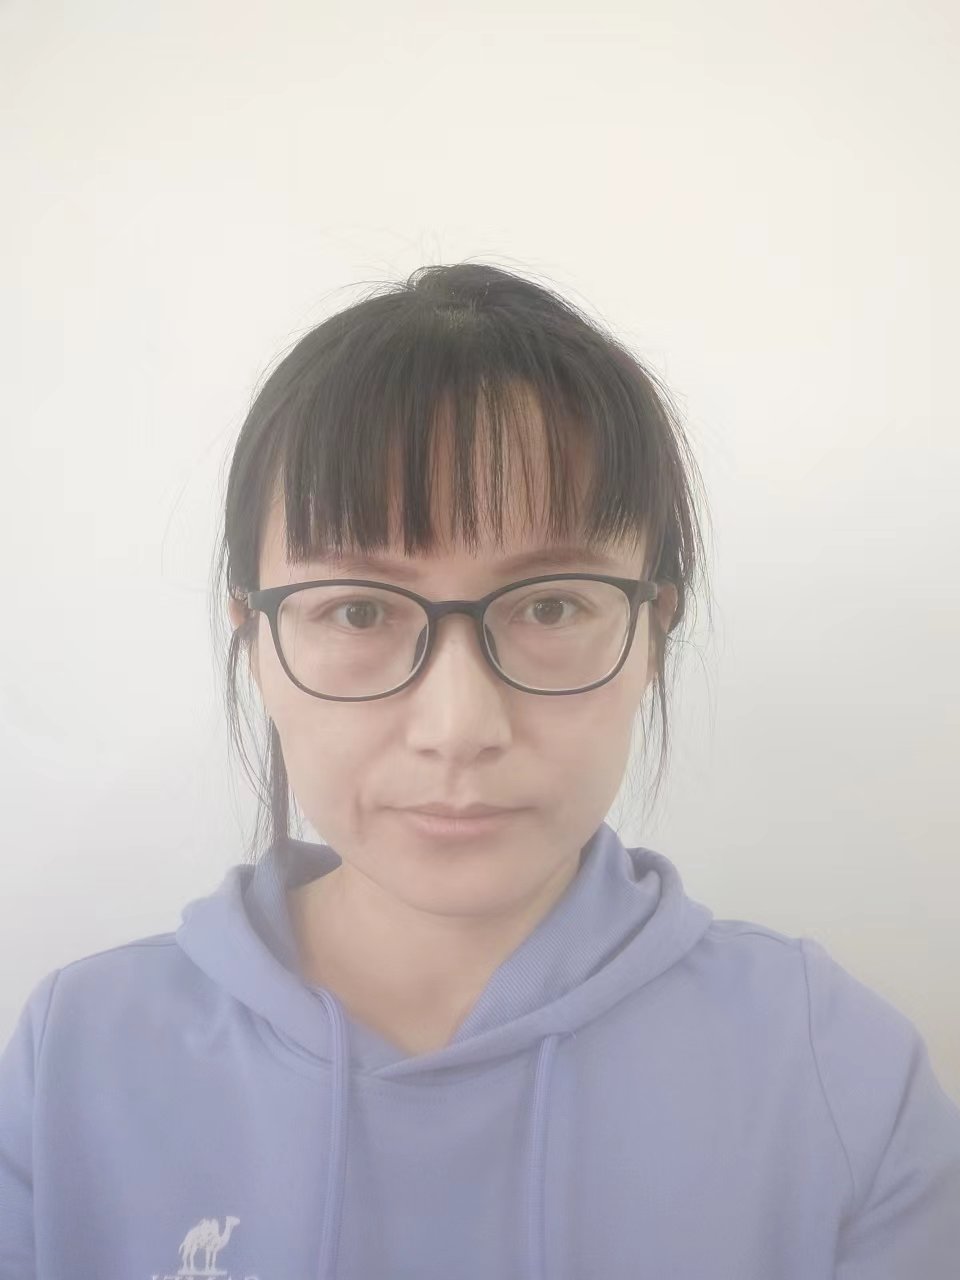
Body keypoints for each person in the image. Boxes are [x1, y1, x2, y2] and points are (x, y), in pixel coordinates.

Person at [1, 263, 958, 1280]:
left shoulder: (832, 1070)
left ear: (653, 633)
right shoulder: (76, 1061)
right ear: (255, 643)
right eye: (358, 609)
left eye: (550, 605)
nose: (458, 727)